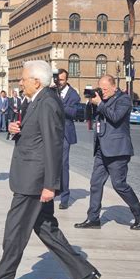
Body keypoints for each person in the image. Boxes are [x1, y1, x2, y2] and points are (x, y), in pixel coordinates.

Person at [0, 61, 100, 279]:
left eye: (23, 79)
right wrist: (17, 129)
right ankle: (84, 274)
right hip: (31, 177)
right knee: (46, 229)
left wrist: (50, 185)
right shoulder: (38, 101)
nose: (20, 83)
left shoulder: (48, 103)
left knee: (14, 231)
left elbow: (54, 145)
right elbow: (38, 137)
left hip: (34, 182)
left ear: (36, 81)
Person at [75, 74, 140, 230]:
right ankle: (93, 218)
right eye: (101, 89)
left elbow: (115, 117)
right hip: (101, 148)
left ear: (114, 87)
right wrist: (91, 103)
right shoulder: (103, 100)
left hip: (118, 150)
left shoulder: (124, 100)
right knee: (95, 183)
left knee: (119, 184)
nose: (103, 92)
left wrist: (100, 103)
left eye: (105, 89)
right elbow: (88, 117)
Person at [57, 68, 80, 210]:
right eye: (58, 79)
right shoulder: (51, 91)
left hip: (65, 133)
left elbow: (73, 112)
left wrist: (59, 103)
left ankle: (65, 197)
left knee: (63, 164)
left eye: (62, 80)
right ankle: (53, 189)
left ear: (67, 80)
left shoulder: (73, 95)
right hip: (51, 132)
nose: (59, 82)